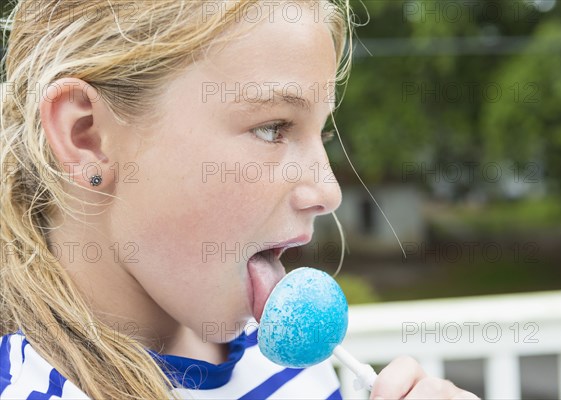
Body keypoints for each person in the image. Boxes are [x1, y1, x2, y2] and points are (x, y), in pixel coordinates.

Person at [0, 0, 478, 398]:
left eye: (322, 136)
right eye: (273, 128)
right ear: (86, 136)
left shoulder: (295, 370)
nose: (328, 192)